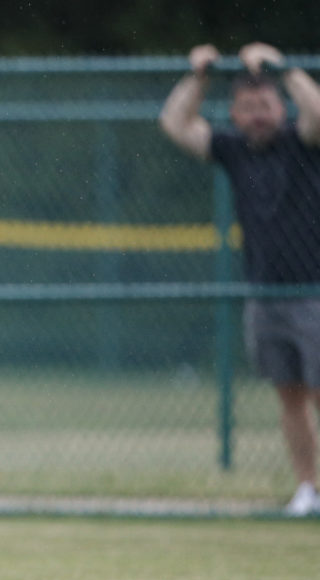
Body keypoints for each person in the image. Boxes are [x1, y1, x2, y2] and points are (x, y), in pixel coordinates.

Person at [159, 42, 320, 516]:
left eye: (266, 104)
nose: (258, 115)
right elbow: (174, 123)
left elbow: (318, 113)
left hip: (315, 293)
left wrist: (284, 66)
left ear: (281, 105)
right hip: (265, 295)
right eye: (247, 107)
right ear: (234, 113)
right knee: (290, 400)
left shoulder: (304, 142)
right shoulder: (234, 151)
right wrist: (199, 75)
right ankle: (308, 490)